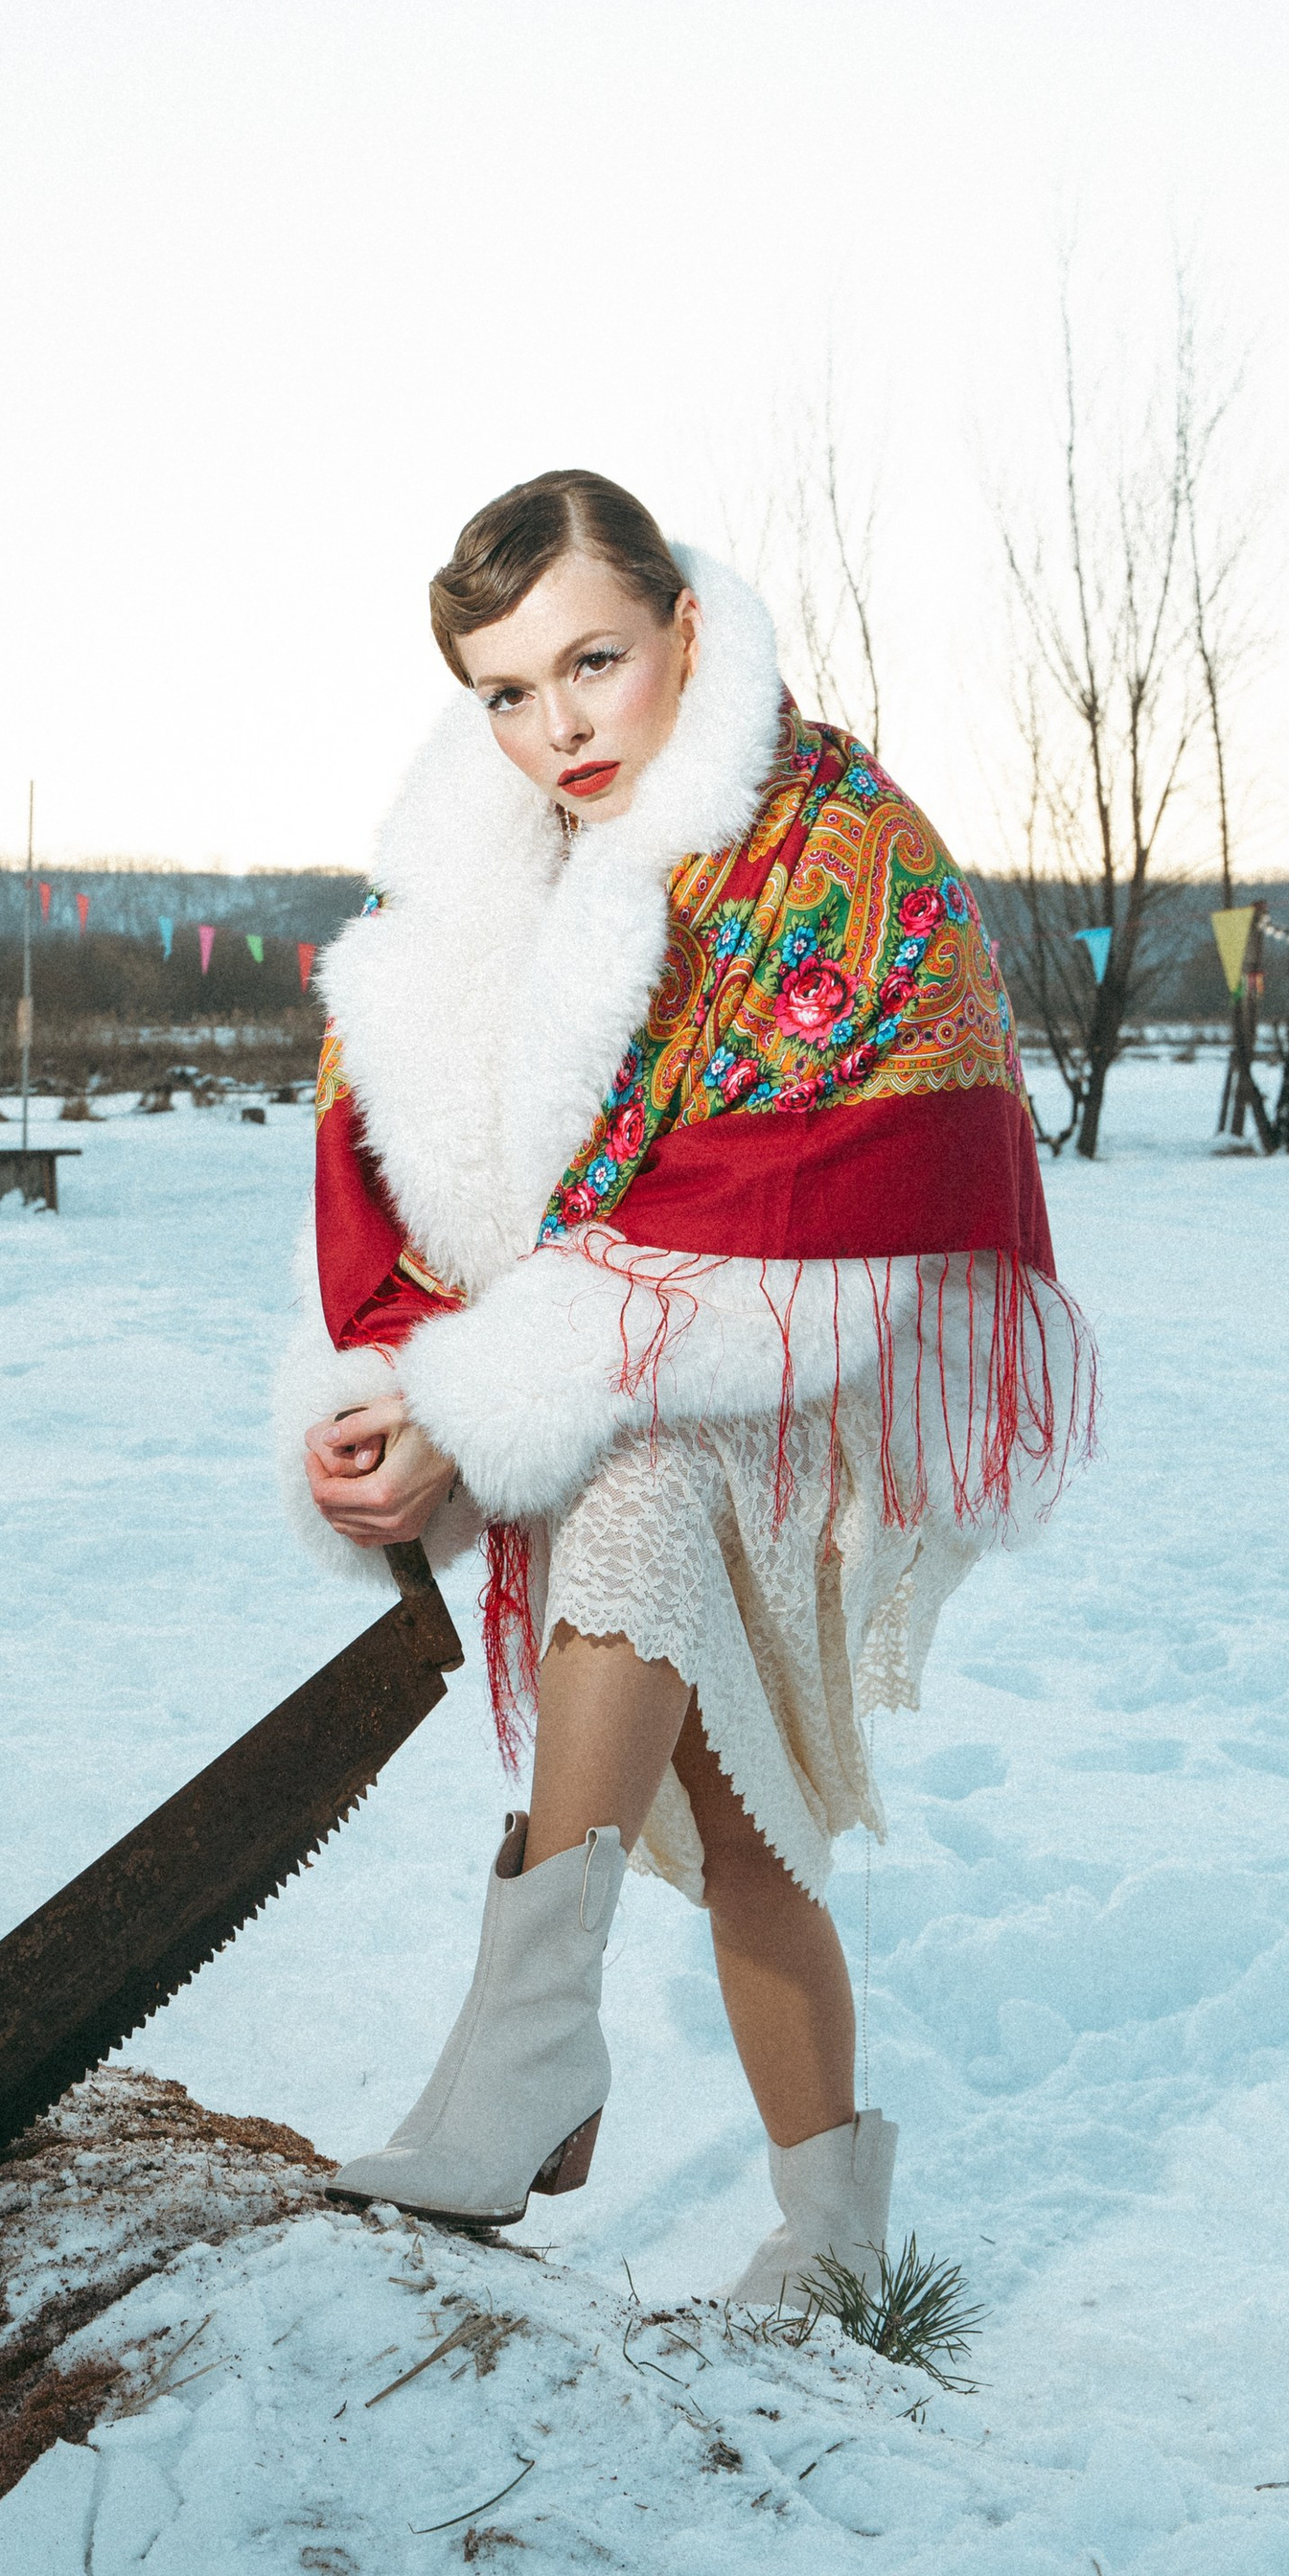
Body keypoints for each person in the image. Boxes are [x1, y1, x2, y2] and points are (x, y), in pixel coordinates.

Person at [277, 471, 1089, 2296]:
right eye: (504, 690)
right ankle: (835, 2242)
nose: (553, 725)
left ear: (685, 631)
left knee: (642, 1509)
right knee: (748, 1824)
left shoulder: (835, 838)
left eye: (592, 663)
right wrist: (399, 1402)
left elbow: (817, 1187)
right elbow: (439, 1196)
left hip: (803, 1361)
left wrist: (492, 1400)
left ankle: (524, 2056)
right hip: (585, 1372)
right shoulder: (476, 890)